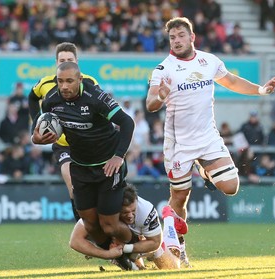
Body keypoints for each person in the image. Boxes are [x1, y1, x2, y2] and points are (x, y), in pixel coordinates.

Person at [145, 16, 275, 266]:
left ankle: (206, 171)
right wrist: (161, 96)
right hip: (178, 145)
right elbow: (150, 103)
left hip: (208, 138)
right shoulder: (163, 70)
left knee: (231, 187)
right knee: (179, 198)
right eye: (172, 37)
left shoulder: (209, 61)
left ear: (192, 37)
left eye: (180, 36)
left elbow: (230, 81)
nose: (176, 41)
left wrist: (261, 90)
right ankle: (181, 249)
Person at [32, 62, 135, 262]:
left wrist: (118, 156)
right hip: (79, 167)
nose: (64, 86)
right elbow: (39, 132)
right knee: (90, 224)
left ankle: (137, 247)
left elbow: (127, 122)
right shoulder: (50, 101)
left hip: (108, 166)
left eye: (69, 81)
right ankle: (120, 260)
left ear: (80, 80)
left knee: (109, 225)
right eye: (60, 81)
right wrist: (36, 139)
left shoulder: (96, 97)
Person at [28, 42, 99, 222]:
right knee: (73, 185)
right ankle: (85, 231)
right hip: (64, 145)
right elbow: (32, 97)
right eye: (62, 60)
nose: (65, 63)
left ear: (77, 62)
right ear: (56, 62)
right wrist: (36, 123)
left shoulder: (89, 82)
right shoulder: (46, 84)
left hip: (88, 144)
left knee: (95, 189)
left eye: (69, 60)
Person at [69, 183, 184, 270]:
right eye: (125, 212)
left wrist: (124, 248)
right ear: (115, 207)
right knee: (137, 271)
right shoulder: (103, 211)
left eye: (133, 211)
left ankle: (169, 218)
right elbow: (75, 241)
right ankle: (129, 260)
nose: (130, 216)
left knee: (173, 267)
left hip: (144, 242)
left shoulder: (146, 210)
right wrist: (107, 254)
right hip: (123, 243)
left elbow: (155, 242)